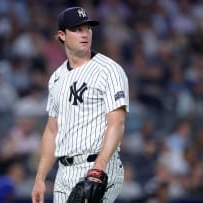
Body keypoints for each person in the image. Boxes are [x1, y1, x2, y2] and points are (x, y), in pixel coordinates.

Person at [31, 6, 129, 203]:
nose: (84, 34)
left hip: (99, 165)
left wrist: (98, 168)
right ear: (62, 35)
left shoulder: (109, 70)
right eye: (77, 29)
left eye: (87, 28)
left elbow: (116, 123)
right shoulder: (57, 78)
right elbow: (52, 131)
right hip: (64, 171)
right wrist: (40, 177)